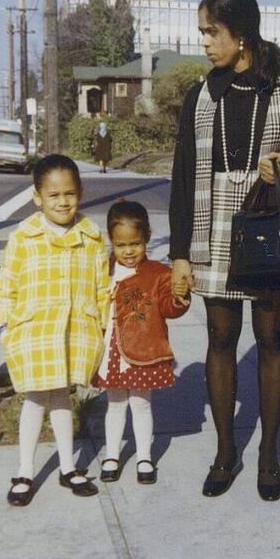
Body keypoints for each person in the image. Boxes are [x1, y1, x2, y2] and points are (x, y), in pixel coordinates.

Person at [169, 0, 280, 502]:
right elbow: (182, 177)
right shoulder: (201, 94)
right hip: (211, 227)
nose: (206, 44)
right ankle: (224, 452)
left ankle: (267, 458)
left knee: (269, 340)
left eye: (212, 33)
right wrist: (178, 256)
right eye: (203, 34)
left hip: (267, 226)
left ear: (242, 34)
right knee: (219, 340)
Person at [0, 154, 110, 506]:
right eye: (54, 195)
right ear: (38, 197)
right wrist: (5, 326)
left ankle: (67, 466)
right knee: (34, 399)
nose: (63, 202)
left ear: (80, 193)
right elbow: (6, 284)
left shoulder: (91, 237)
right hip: (34, 331)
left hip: (75, 330)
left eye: (70, 194)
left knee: (62, 397)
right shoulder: (24, 236)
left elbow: (102, 286)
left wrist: (103, 327)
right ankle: (25, 470)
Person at [92, 201, 190, 484]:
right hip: (111, 350)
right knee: (115, 404)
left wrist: (179, 295)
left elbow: (170, 309)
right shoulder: (103, 270)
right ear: (112, 241)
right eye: (121, 245)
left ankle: (144, 456)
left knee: (141, 403)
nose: (129, 251)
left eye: (135, 243)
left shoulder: (159, 273)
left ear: (147, 237)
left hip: (144, 350)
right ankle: (112, 455)